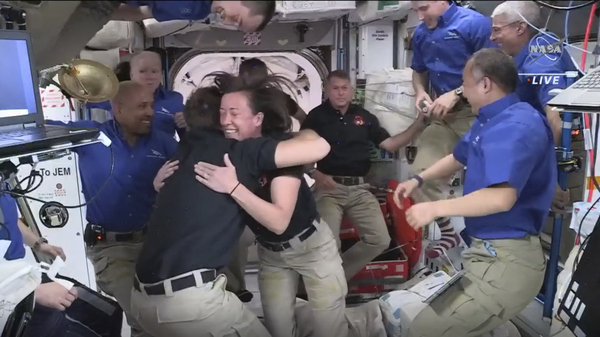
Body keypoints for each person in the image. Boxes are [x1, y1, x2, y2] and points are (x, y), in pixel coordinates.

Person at [131, 75, 331, 337]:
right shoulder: (239, 153)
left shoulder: (184, 151)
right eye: (227, 113)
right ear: (221, 121)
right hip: (188, 305)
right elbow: (319, 147)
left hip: (141, 303)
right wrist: (292, 134)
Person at [393, 48, 554, 337]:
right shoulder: (490, 118)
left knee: (422, 330)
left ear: (485, 84)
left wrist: (434, 208)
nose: (463, 94)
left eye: (465, 86)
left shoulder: (516, 125)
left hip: (507, 262)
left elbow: (501, 197)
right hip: (485, 255)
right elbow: (460, 154)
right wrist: (419, 178)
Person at [194, 73, 348, 337]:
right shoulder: (228, 151)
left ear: (258, 119)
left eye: (234, 113)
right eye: (222, 113)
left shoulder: (282, 151)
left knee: (329, 329)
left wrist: (233, 187)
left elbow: (279, 222)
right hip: (271, 254)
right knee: (278, 328)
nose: (225, 121)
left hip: (312, 248)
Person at [47, 81, 178, 337]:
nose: (150, 112)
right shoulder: (88, 136)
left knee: (157, 317)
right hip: (109, 248)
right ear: (117, 108)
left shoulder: (162, 143)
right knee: (144, 315)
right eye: (142, 106)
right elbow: (41, 130)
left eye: (151, 105)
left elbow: (192, 172)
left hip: (152, 243)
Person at [301, 70, 426, 280]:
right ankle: (327, 286)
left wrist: (418, 125)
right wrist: (314, 173)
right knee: (328, 244)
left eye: (344, 88)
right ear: (327, 91)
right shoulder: (316, 117)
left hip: (360, 189)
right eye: (335, 88)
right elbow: (300, 150)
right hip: (329, 188)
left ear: (351, 91)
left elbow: (390, 144)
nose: (340, 93)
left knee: (379, 240)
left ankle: (338, 278)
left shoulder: (365, 117)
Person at [408, 0, 496, 259]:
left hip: (478, 113)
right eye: (416, 10)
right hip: (442, 115)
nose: (420, 15)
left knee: (485, 184)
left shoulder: (474, 24)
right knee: (419, 175)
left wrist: (457, 93)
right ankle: (449, 231)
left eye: (423, 8)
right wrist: (421, 91)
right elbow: (419, 71)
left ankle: (486, 245)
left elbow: (494, 69)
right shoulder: (422, 33)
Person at [490, 1, 577, 213]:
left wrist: (548, 177)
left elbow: (556, 117)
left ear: (520, 28)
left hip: (549, 147)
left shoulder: (539, 61)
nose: (492, 38)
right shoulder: (538, 45)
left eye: (496, 30)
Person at [0, 193, 78, 312]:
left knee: (88, 303)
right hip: (8, 290)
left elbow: (9, 218)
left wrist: (39, 245)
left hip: (16, 273)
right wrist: (32, 293)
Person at [88, 50, 186, 138]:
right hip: (124, 155)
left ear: (161, 74)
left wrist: (189, 124)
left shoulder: (174, 100)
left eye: (154, 71)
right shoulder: (118, 95)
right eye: (142, 71)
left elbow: (188, 138)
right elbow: (85, 99)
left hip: (165, 156)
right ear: (132, 75)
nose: (149, 77)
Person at [113, 1, 276, 33]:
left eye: (235, 26)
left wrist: (104, 15)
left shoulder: (199, 12)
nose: (227, 22)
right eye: (236, 19)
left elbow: (142, 12)